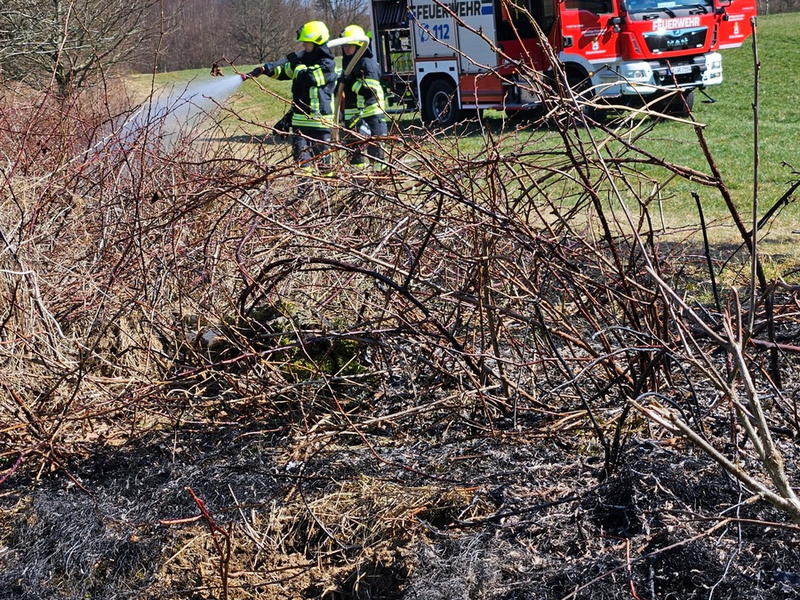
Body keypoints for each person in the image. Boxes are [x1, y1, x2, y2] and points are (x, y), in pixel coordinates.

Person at [243, 21, 337, 172]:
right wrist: (268, 70)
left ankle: (328, 192)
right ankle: (304, 193)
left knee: (325, 169)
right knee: (302, 166)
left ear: (317, 43)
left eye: (306, 43)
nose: (304, 46)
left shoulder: (327, 65)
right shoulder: (303, 62)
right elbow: (285, 72)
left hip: (320, 125)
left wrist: (297, 64)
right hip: (300, 125)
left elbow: (310, 78)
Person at [338, 25, 388, 169]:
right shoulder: (348, 61)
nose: (346, 49)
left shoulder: (367, 62)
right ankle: (358, 183)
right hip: (353, 115)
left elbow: (369, 91)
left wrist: (349, 83)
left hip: (371, 114)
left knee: (376, 153)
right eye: (345, 45)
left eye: (350, 45)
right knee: (354, 154)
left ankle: (379, 184)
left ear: (359, 45)